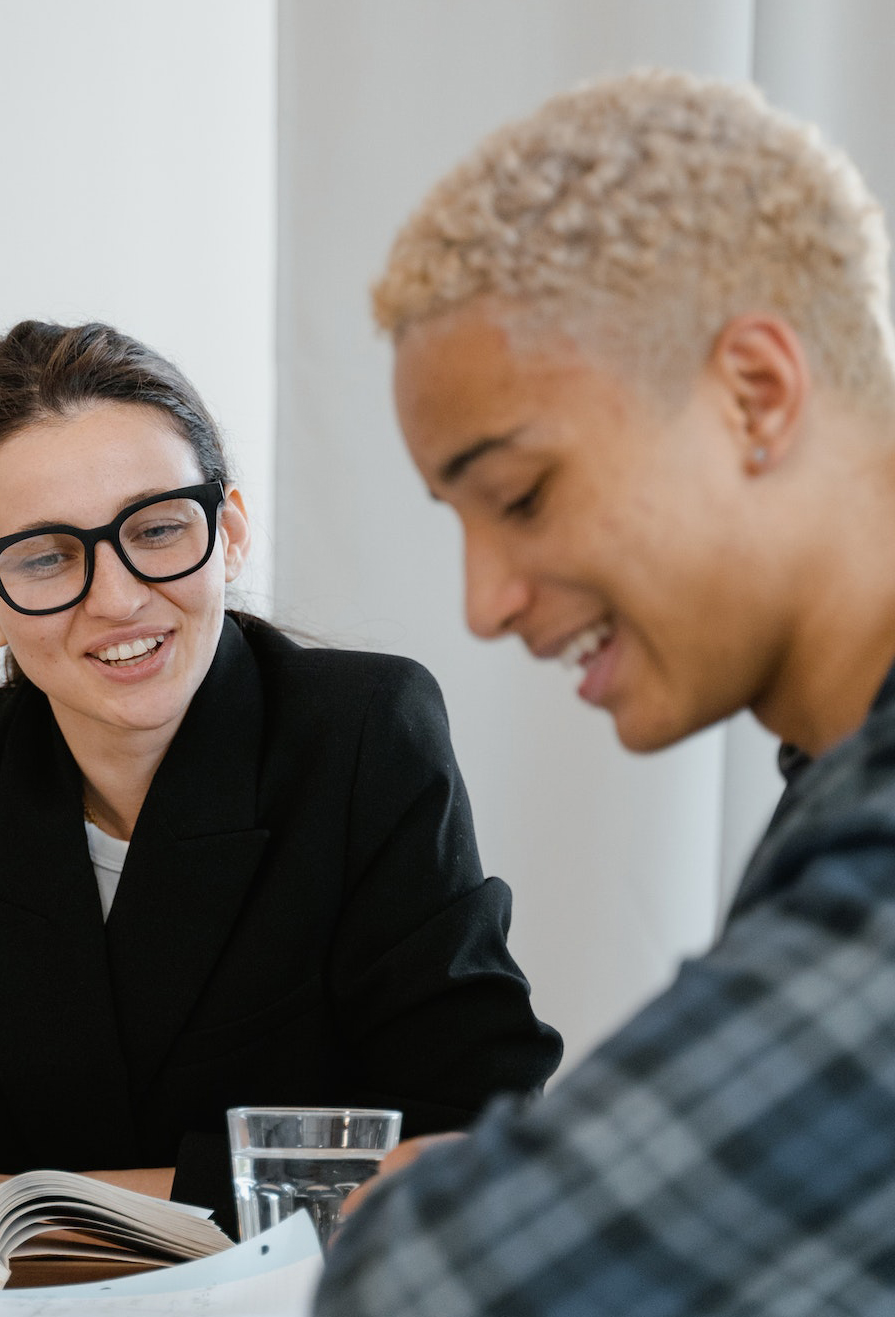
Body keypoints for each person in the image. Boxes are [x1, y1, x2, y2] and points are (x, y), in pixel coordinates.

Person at [0, 318, 561, 1242]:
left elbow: (471, 1126)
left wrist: (58, 1200)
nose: (118, 597)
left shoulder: (361, 732)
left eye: (158, 530)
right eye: (46, 557)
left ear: (228, 533)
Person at [314, 67, 895, 1315]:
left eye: (518, 496)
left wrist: (469, 1207)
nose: (483, 603)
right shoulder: (830, 779)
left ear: (754, 394)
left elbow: (428, 1293)